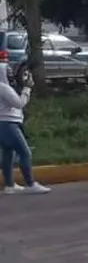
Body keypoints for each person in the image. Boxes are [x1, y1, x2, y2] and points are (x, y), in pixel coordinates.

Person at [0, 57, 49, 194]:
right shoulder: (4, 88)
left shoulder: (4, 87)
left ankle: (10, 186)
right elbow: (19, 103)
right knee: (25, 152)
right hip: (9, 124)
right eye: (7, 71)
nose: (11, 73)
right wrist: (27, 88)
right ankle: (30, 183)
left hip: (3, 124)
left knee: (8, 155)